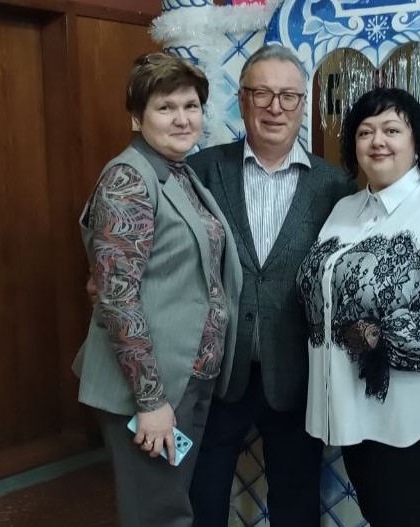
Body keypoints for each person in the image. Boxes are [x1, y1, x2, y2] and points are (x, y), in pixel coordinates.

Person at [296, 87, 420, 527]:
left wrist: (380, 337)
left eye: (391, 130)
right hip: (350, 407)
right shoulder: (344, 210)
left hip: (410, 414)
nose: (377, 141)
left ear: (415, 141)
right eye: (365, 132)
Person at [73, 52, 242, 527]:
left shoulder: (177, 171)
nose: (182, 119)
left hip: (186, 377)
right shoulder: (129, 177)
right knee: (159, 516)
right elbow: (118, 297)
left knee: (171, 506)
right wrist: (150, 401)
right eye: (166, 107)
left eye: (191, 106)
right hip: (151, 387)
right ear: (137, 116)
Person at [187, 45, 353, 527]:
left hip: (298, 373)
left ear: (303, 105)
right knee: (202, 494)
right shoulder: (201, 171)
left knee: (296, 502)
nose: (275, 107)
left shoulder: (335, 186)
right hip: (217, 369)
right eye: (262, 93)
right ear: (242, 100)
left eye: (288, 96)